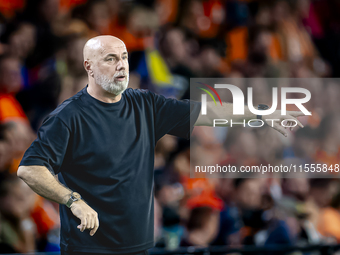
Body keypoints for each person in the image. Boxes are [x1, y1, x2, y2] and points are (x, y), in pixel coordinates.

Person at [17, 35, 304, 255]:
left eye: (124, 58)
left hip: (140, 246)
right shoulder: (69, 116)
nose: (120, 65)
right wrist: (73, 201)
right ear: (88, 66)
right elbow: (30, 169)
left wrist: (261, 112)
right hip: (90, 249)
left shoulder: (144, 104)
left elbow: (206, 112)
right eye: (110, 58)